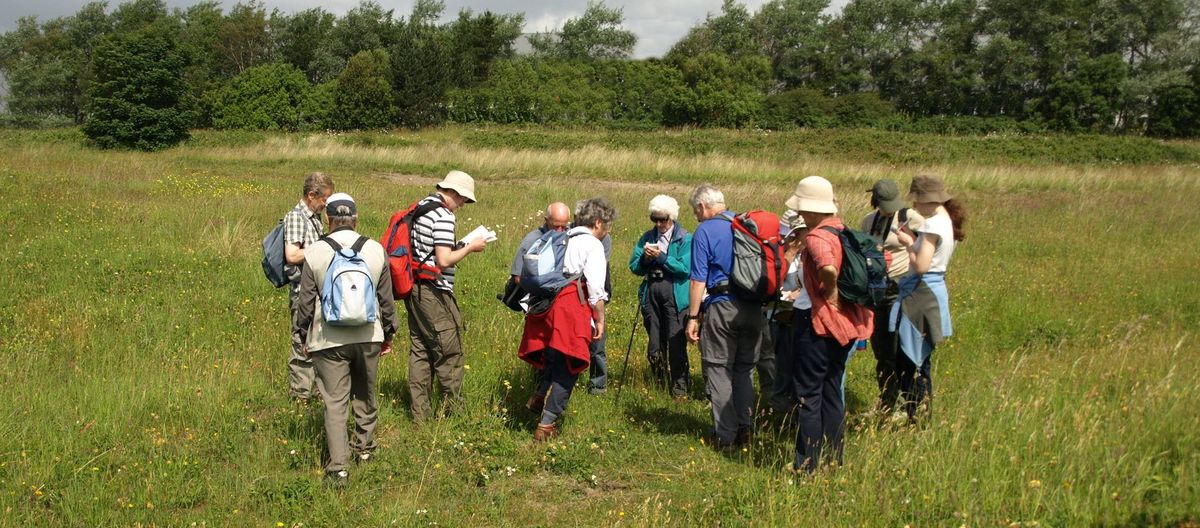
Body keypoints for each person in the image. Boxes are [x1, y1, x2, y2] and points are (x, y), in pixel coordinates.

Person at [292, 193, 398, 486]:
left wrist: (302, 334)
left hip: (328, 339)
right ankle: (365, 449)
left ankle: (338, 468)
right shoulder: (375, 249)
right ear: (356, 219)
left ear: (328, 219)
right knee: (365, 394)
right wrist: (388, 334)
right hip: (369, 336)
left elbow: (305, 301)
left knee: (335, 402)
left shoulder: (315, 251)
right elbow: (386, 301)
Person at [787, 176, 873, 474]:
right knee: (832, 391)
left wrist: (831, 294)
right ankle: (834, 460)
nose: (800, 214)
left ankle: (806, 466)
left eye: (802, 209)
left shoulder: (817, 236)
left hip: (819, 326)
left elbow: (827, 267)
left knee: (808, 396)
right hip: (847, 326)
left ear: (811, 209)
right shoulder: (843, 230)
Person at [518, 198, 616, 441]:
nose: (607, 231)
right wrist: (600, 319)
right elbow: (595, 289)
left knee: (552, 356)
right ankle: (547, 423)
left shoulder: (561, 236)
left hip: (545, 307)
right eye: (606, 226)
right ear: (597, 223)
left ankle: (539, 395)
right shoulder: (592, 245)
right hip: (571, 309)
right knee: (569, 364)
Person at [684, 184, 765, 451]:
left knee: (718, 369)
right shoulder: (746, 224)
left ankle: (725, 436)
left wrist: (693, 317)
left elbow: (698, 280)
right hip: (754, 307)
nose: (695, 216)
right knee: (744, 370)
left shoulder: (705, 230)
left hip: (722, 306)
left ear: (703, 206)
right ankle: (746, 429)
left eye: (695, 210)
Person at [405, 170, 488, 423]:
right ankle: (456, 415)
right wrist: (471, 247)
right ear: (453, 192)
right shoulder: (443, 215)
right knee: (449, 352)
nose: (463, 205)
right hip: (434, 292)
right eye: (463, 199)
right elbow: (443, 260)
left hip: (415, 289)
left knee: (421, 351)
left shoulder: (421, 206)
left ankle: (420, 417)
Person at [891, 174, 964, 421]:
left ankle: (915, 412)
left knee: (911, 358)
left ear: (926, 199)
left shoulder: (932, 225)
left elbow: (921, 266)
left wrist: (908, 242)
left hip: (921, 292)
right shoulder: (946, 221)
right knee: (921, 357)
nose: (914, 206)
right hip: (933, 290)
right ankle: (920, 411)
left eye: (917, 200)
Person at [861, 179, 925, 414]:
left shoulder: (912, 218)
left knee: (903, 350)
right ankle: (887, 402)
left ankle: (911, 405)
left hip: (901, 292)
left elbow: (929, 249)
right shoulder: (869, 221)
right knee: (882, 351)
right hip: (877, 293)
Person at [628, 195, 692, 400]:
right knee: (654, 346)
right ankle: (659, 383)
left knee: (675, 344)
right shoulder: (647, 236)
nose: (658, 223)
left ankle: (680, 390)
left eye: (662, 219)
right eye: (654, 218)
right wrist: (646, 259)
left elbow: (685, 268)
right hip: (651, 293)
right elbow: (634, 266)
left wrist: (662, 258)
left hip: (675, 294)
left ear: (671, 217)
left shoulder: (684, 238)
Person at [282, 172, 334, 402]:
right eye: (324, 199)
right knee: (301, 343)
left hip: (318, 292)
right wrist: (323, 248)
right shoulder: (296, 217)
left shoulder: (314, 217)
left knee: (319, 342)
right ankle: (300, 396)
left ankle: (317, 391)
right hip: (302, 293)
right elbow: (292, 255)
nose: (326, 204)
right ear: (312, 195)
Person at [768, 213, 807, 417]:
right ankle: (780, 410)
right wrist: (789, 253)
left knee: (799, 364)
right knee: (780, 363)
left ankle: (797, 408)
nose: (790, 239)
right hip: (781, 312)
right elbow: (773, 279)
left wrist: (802, 291)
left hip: (801, 313)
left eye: (795, 235)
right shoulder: (782, 250)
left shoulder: (814, 251)